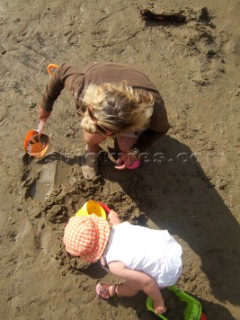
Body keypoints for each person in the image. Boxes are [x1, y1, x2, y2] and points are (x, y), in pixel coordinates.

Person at [38, 62, 170, 180]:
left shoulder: (153, 110)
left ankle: (124, 146)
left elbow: (160, 130)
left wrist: (135, 151)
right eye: (89, 113)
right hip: (100, 73)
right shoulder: (83, 87)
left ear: (127, 127)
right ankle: (91, 148)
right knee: (91, 136)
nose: (87, 123)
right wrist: (46, 106)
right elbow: (62, 70)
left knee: (126, 147)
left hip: (130, 97)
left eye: (103, 129)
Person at [63, 207, 183, 315]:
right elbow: (114, 217)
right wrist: (111, 213)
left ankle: (114, 291)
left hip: (167, 274)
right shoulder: (118, 226)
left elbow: (147, 282)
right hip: (171, 249)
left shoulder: (115, 265)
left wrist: (158, 301)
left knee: (134, 284)